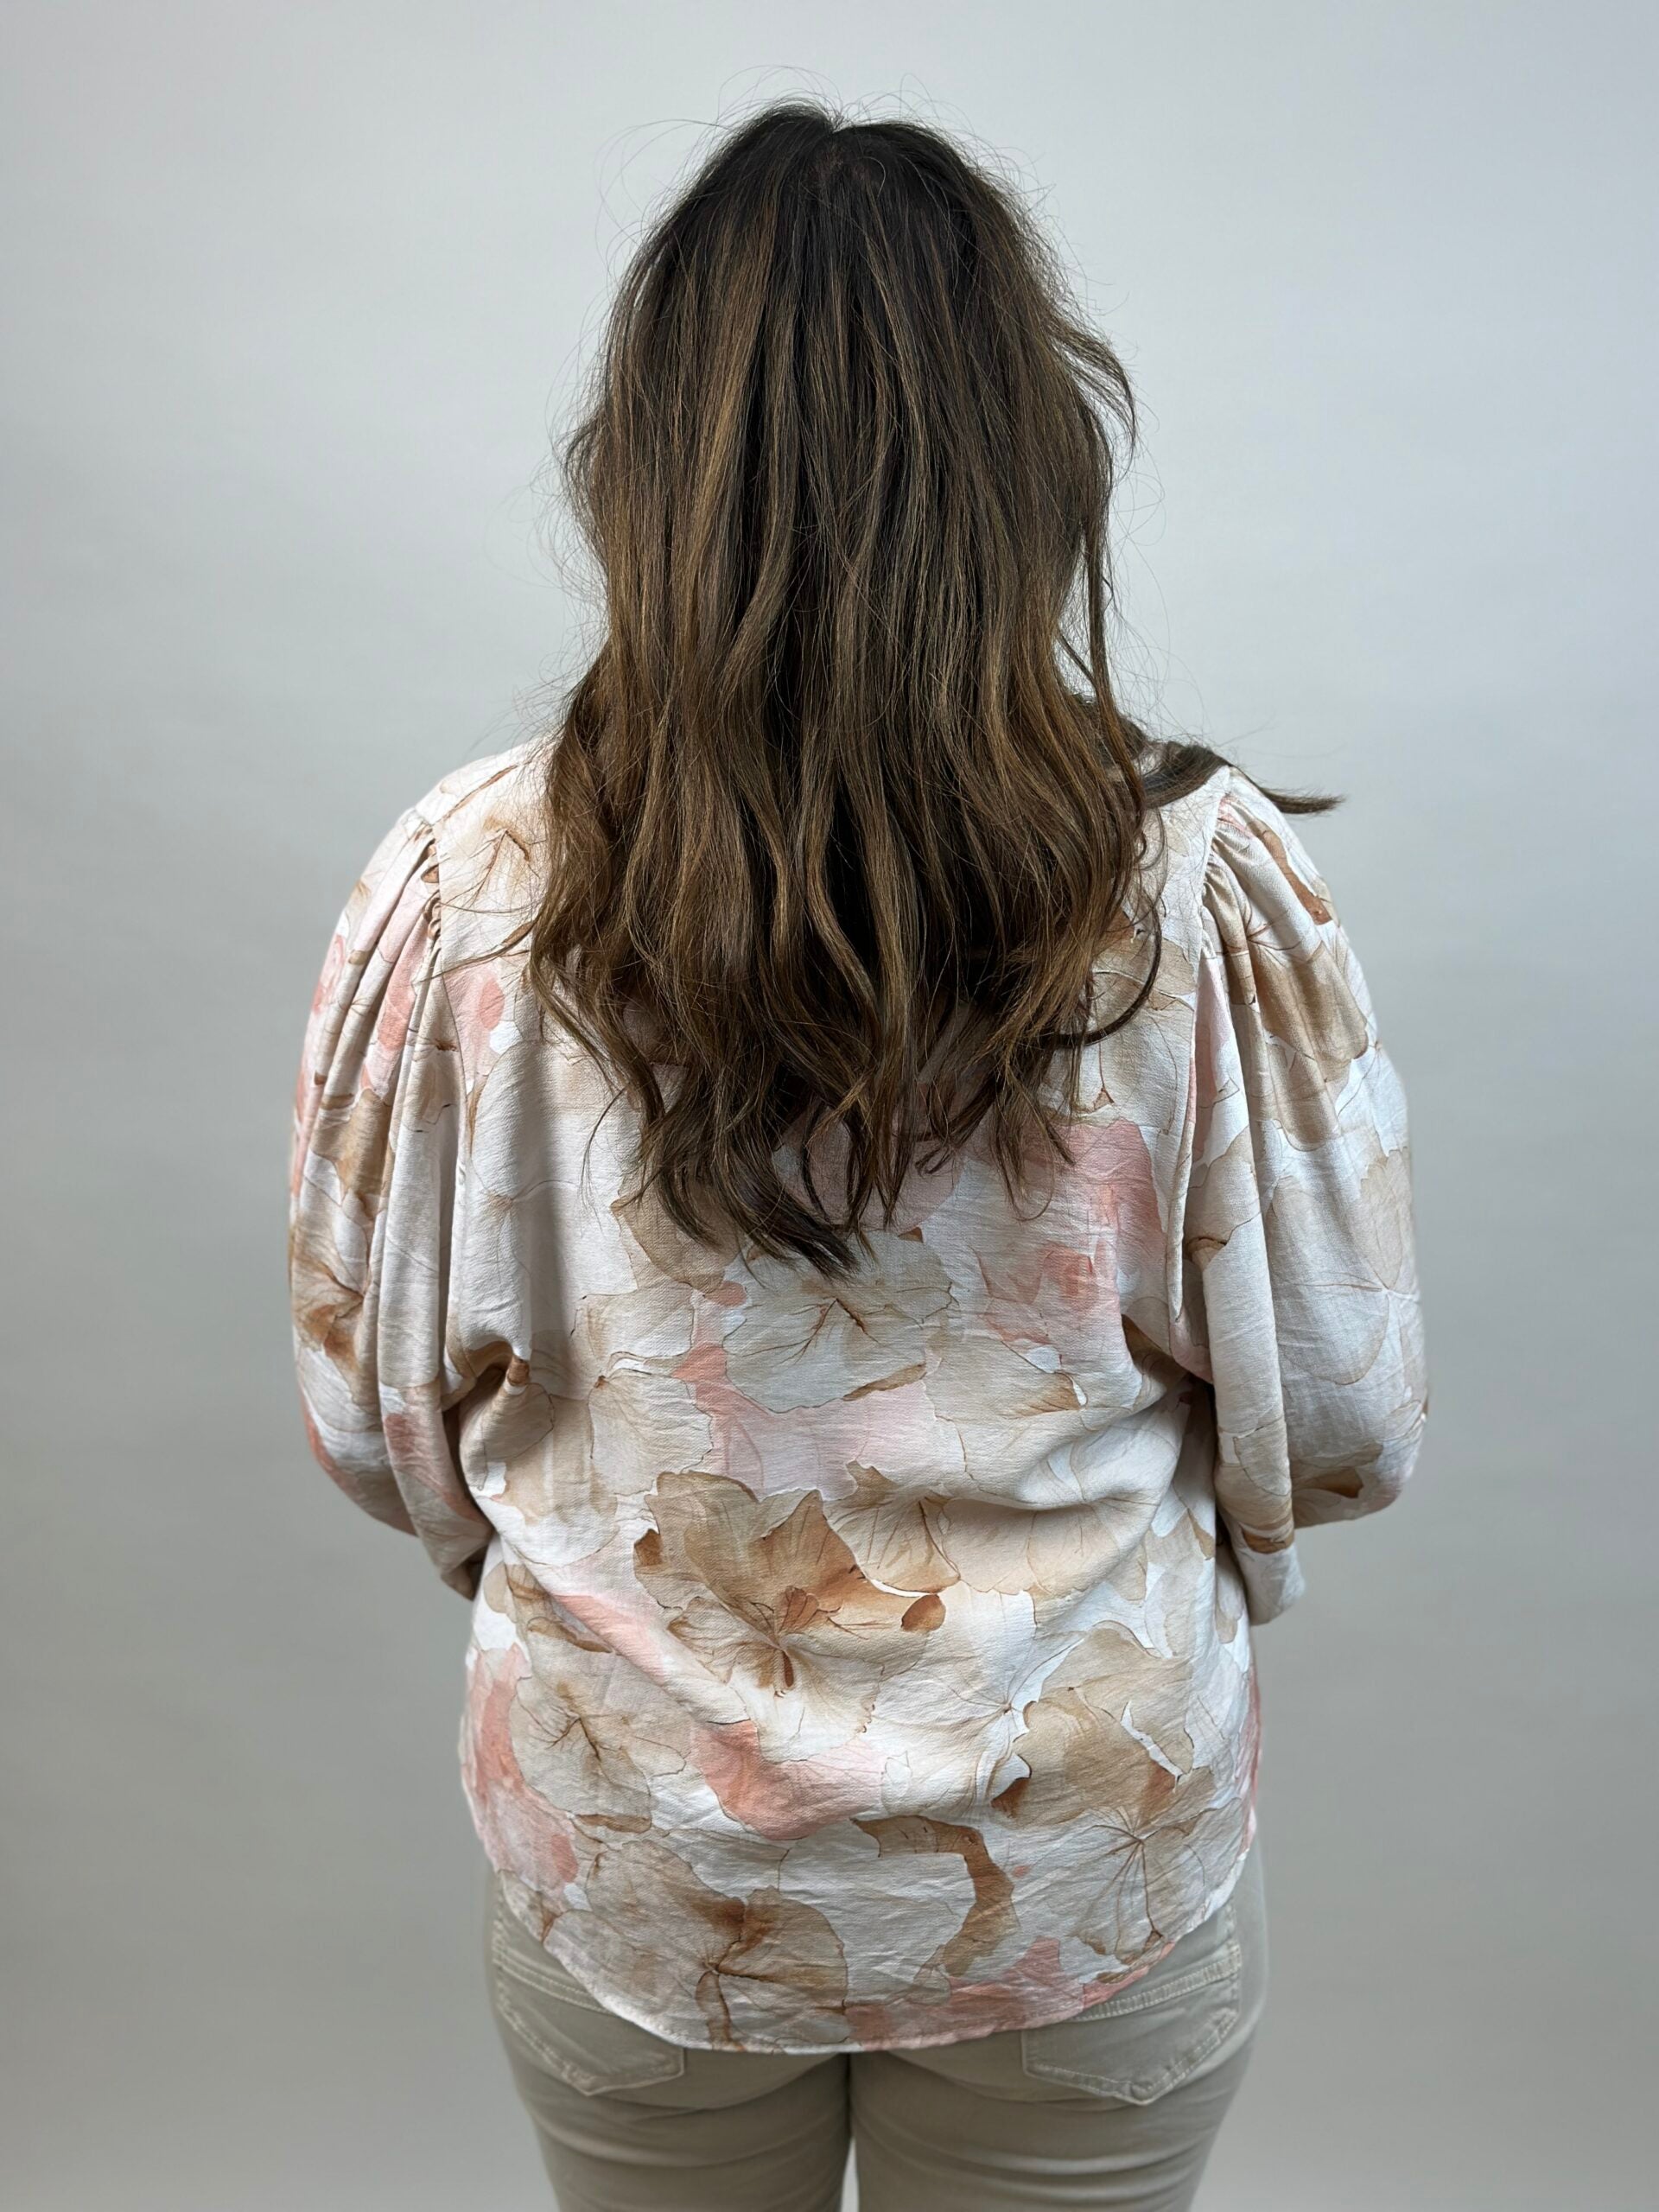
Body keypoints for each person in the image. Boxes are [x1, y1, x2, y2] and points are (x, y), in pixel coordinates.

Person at [286, 99, 1427, 2212]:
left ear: (646, 466)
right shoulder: (1204, 890)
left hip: (641, 1868)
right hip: (1079, 1876)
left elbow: (378, 1427)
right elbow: (1345, 1421)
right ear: (1033, 458)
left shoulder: (463, 887)